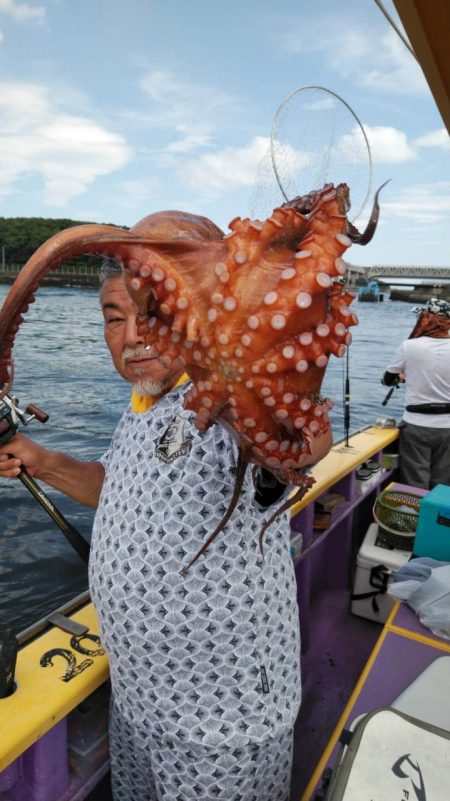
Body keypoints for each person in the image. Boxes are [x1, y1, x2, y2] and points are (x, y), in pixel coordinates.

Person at [0, 213, 301, 801]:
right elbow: (120, 489)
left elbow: (295, 440)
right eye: (115, 318)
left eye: (155, 313)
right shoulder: (142, 404)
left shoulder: (229, 398)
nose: (133, 336)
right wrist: (43, 460)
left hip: (225, 720)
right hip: (141, 700)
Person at [382, 298, 450, 490]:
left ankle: (413, 517)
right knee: (443, 485)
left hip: (416, 425)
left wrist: (403, 377)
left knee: (415, 484)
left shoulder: (409, 346)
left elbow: (387, 380)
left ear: (425, 319)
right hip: (448, 427)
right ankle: (435, 519)